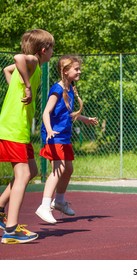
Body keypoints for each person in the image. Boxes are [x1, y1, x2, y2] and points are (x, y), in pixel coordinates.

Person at [0, 29, 55, 244]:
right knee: (22, 174)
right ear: (43, 50)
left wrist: (18, 88)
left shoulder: (34, 67)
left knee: (31, 170)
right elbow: (17, 58)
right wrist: (28, 87)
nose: (53, 52)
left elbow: (7, 69)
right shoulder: (32, 61)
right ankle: (11, 230)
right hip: (12, 128)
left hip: (17, 129)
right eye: (52, 49)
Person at [35, 55, 98, 224]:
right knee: (59, 168)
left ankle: (60, 201)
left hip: (64, 136)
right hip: (54, 136)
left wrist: (84, 119)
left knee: (68, 169)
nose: (79, 71)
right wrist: (49, 130)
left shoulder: (69, 89)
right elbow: (46, 112)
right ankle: (44, 205)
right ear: (65, 71)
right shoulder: (57, 89)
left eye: (79, 68)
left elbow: (66, 114)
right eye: (76, 69)